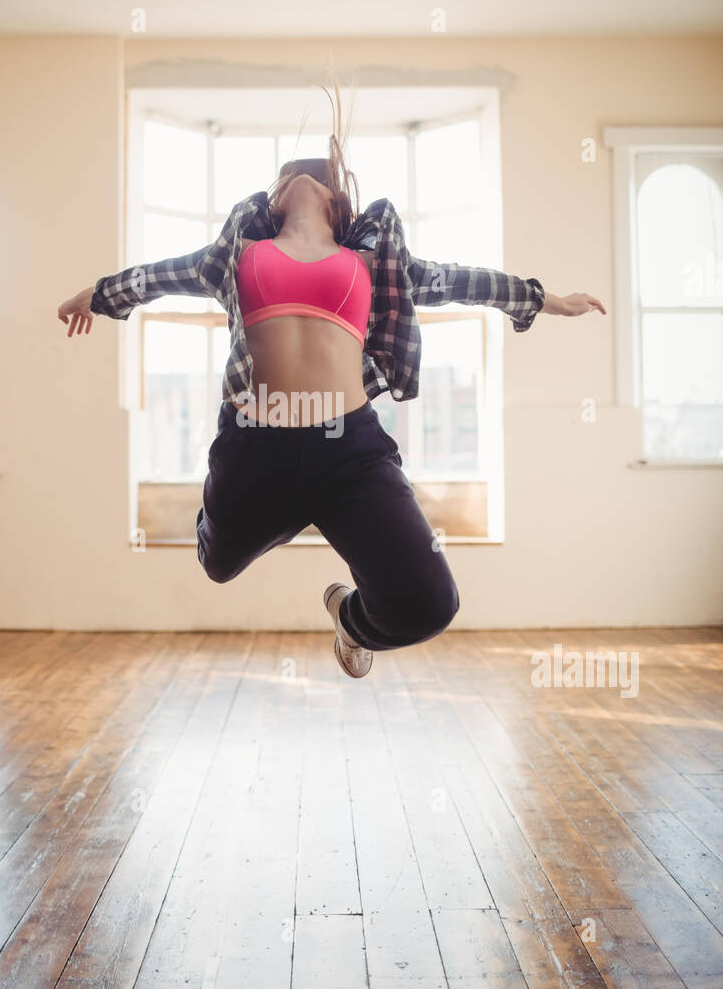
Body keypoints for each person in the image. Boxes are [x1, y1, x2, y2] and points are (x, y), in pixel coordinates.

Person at [58, 91, 604, 678]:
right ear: (274, 196)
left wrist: (544, 299)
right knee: (216, 565)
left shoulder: (372, 262)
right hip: (253, 443)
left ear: (336, 199)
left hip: (349, 452)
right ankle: (254, 506)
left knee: (430, 604)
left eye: (315, 177)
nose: (303, 177)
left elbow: (458, 281)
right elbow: (152, 278)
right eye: (290, 175)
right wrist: (94, 295)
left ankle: (349, 619)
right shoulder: (235, 253)